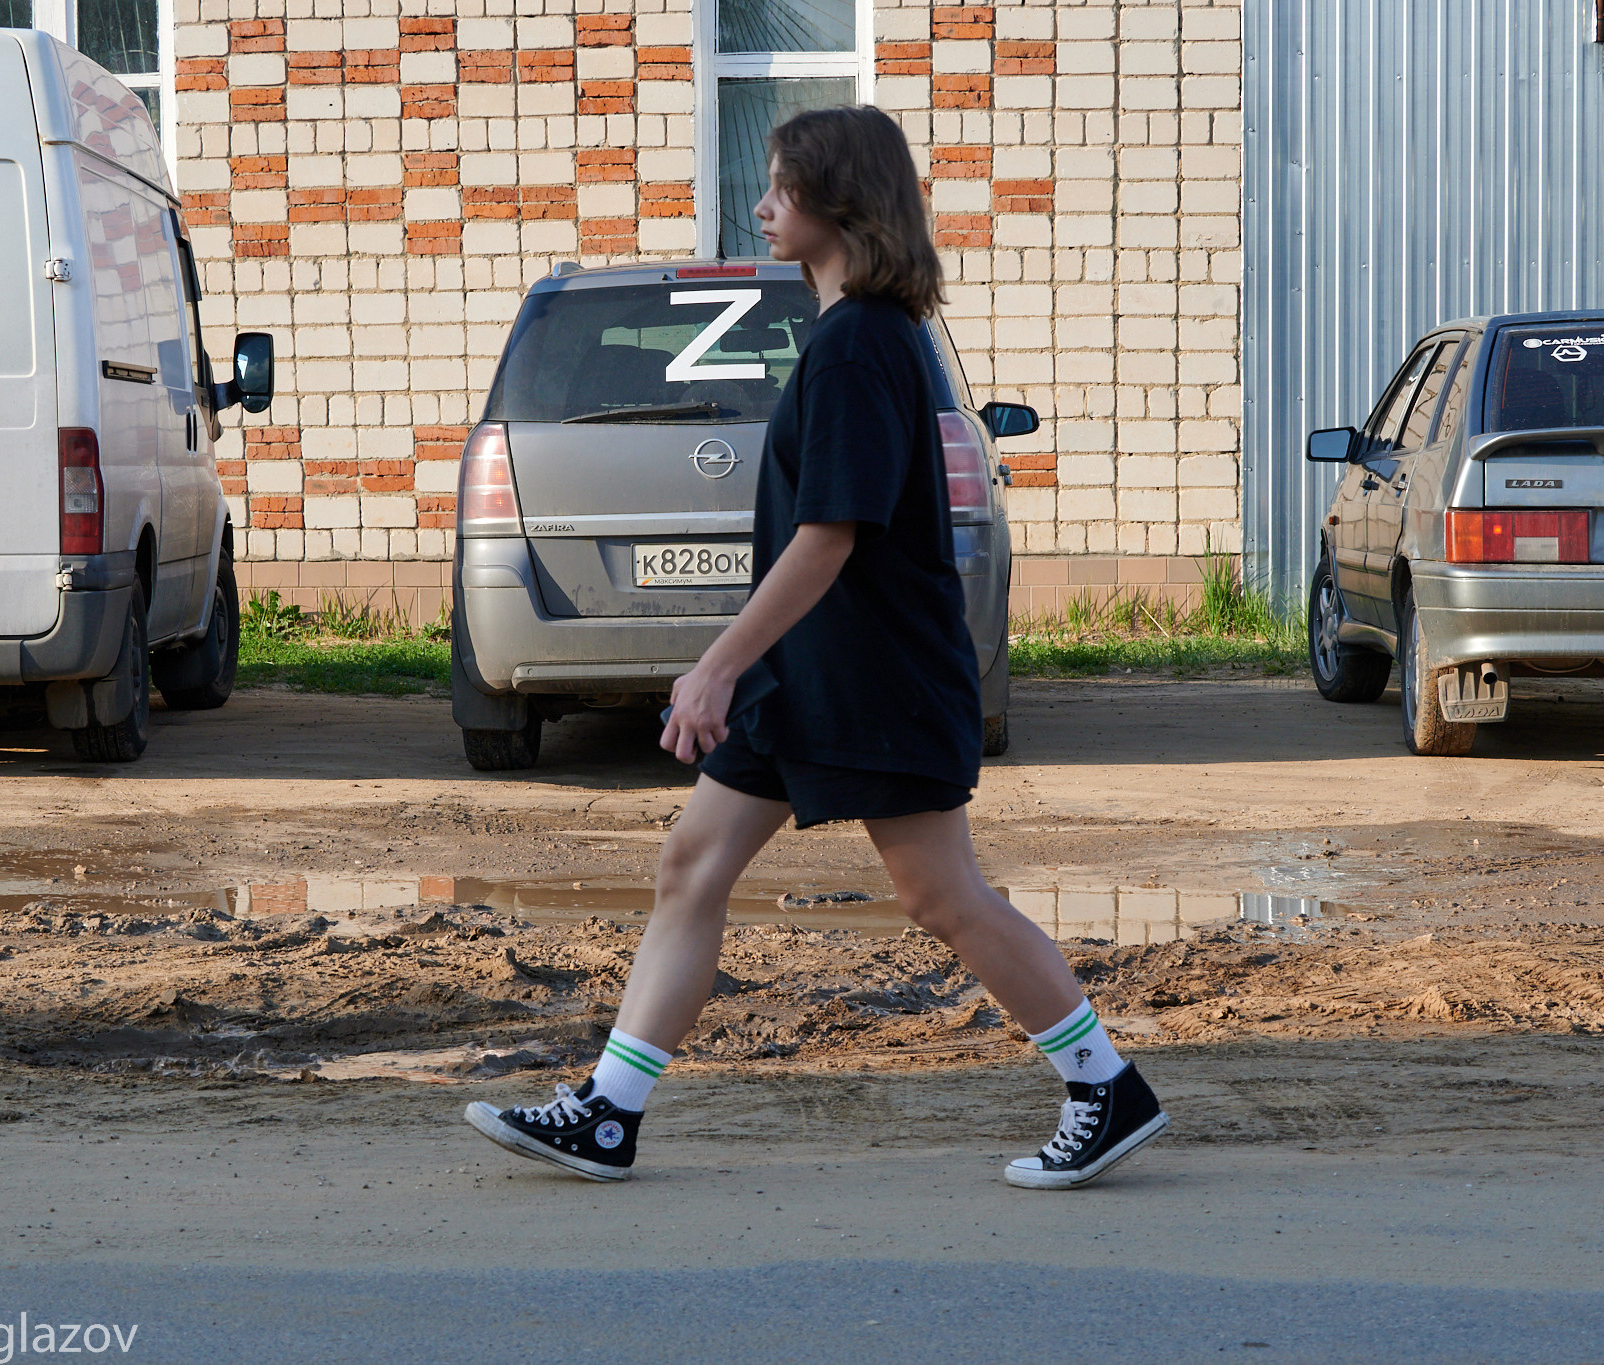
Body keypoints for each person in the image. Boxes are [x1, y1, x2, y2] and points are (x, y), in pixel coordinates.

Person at [465, 105, 1166, 1190]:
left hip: (874, 679)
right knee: (690, 866)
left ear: (834, 204)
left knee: (942, 899)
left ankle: (1103, 1086)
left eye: (778, 189)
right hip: (809, 679)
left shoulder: (855, 347)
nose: (760, 208)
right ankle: (609, 1111)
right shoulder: (854, 336)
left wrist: (713, 663)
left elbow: (828, 539)